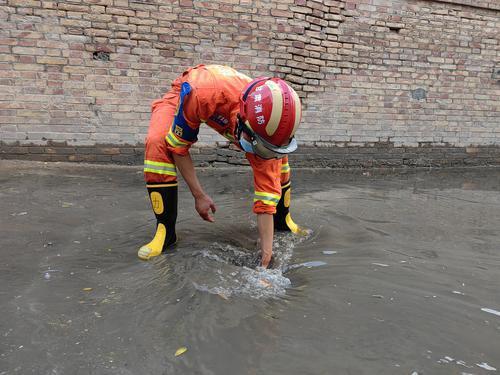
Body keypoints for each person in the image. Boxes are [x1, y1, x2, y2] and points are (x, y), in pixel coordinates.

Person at [139, 64, 302, 268]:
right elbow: (178, 147)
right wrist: (199, 196)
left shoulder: (268, 123)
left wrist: (265, 259)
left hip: (235, 113)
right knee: (157, 143)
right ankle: (165, 231)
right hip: (191, 94)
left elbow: (266, 200)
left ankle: (284, 221)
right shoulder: (200, 94)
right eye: (255, 144)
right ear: (243, 120)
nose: (259, 153)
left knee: (277, 163)